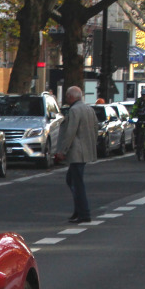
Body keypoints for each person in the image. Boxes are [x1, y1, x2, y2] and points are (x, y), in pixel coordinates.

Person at [53, 85, 98, 223]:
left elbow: (70, 132)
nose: (66, 98)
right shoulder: (89, 109)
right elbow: (96, 127)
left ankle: (84, 213)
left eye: (67, 96)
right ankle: (79, 211)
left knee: (77, 183)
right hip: (86, 149)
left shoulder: (74, 110)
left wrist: (62, 150)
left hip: (77, 151)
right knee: (72, 180)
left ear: (72, 97)